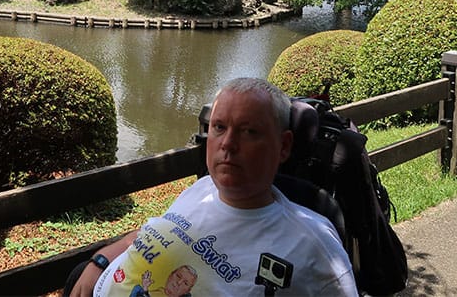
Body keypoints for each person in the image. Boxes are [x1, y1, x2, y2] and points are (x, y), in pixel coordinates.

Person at [67, 77, 358, 297]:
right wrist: (100, 261)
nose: (227, 144)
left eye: (249, 132)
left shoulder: (313, 245)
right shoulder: (202, 189)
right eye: (219, 127)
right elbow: (149, 233)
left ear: (283, 146)